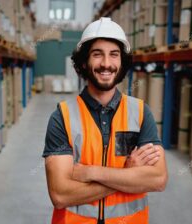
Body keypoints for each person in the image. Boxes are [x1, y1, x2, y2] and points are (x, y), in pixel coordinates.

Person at [43, 17, 168, 224]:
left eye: (114, 55)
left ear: (122, 62)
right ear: (84, 62)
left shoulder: (140, 113)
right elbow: (60, 195)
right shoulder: (62, 117)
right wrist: (127, 174)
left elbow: (158, 179)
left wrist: (91, 172)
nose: (106, 64)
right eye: (97, 54)